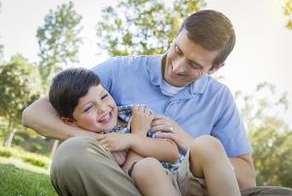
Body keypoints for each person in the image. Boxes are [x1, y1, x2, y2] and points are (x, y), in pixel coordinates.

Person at [22, 10, 292, 196]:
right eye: (177, 50)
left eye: (194, 64)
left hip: (193, 184)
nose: (176, 67)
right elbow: (34, 114)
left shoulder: (219, 98)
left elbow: (245, 180)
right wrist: (100, 143)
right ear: (176, 35)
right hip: (127, 184)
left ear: (216, 67)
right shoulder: (120, 70)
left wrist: (187, 140)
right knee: (72, 154)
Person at [48, 67, 240, 196]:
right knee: (146, 167)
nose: (103, 109)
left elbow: (171, 152)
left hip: (179, 180)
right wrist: (138, 135)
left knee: (208, 143)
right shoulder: (92, 146)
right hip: (147, 188)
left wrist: (131, 139)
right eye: (89, 108)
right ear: (70, 122)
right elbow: (122, 177)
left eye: (104, 96)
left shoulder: (134, 114)